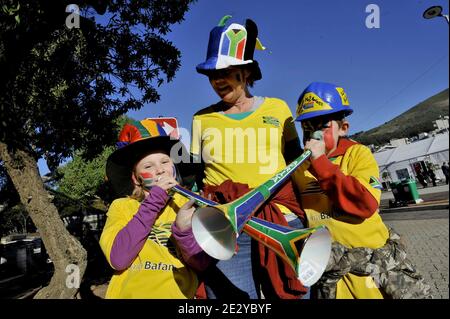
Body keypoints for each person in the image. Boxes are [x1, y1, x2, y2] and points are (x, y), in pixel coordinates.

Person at [191, 15, 307, 299]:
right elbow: (193, 175)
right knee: (235, 300)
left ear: (245, 73)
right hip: (225, 225)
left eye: (225, 72)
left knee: (293, 294)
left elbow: (296, 164)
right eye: (212, 75)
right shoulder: (201, 119)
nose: (217, 80)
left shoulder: (279, 109)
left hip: (282, 220)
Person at [293, 82, 431, 299]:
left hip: (371, 267)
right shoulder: (299, 168)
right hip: (331, 273)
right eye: (307, 127)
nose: (313, 134)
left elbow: (365, 204)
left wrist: (320, 162)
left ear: (343, 128)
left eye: (322, 126)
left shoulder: (358, 154)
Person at [99, 119, 210, 298]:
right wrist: (155, 200)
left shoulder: (188, 204)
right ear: (136, 179)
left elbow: (201, 263)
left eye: (165, 162)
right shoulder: (122, 207)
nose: (160, 170)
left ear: (174, 167)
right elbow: (118, 259)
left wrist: (183, 232)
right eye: (148, 166)